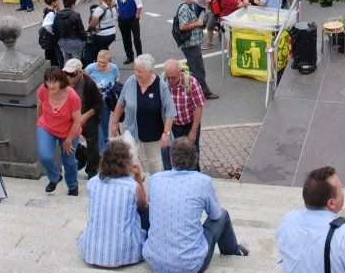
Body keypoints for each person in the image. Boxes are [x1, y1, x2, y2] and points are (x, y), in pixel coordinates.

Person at [142, 138, 249, 272]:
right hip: (191, 265)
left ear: (171, 158)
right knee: (223, 214)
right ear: (195, 159)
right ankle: (234, 252)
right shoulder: (203, 182)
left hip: (155, 262)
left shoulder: (155, 180)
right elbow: (215, 215)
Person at [78, 139, 148, 268]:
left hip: (92, 253)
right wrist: (138, 177)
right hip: (125, 254)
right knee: (146, 211)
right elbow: (143, 206)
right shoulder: (132, 187)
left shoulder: (92, 183)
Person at [109, 53, 175, 176]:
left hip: (154, 131)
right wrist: (114, 123)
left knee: (154, 161)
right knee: (129, 157)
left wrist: (166, 133)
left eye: (140, 71)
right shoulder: (131, 81)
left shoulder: (161, 85)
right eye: (135, 70)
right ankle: (135, 183)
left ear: (150, 71)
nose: (136, 74)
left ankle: (156, 184)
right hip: (132, 128)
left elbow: (170, 111)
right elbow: (120, 103)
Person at [36, 66, 82, 196]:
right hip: (47, 126)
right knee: (45, 156)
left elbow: (77, 120)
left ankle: (73, 186)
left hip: (69, 131)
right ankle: (55, 177)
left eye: (54, 82)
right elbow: (39, 107)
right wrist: (39, 123)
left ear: (61, 81)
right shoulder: (43, 90)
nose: (50, 85)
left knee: (69, 160)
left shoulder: (73, 97)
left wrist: (68, 141)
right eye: (48, 81)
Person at [162, 59, 206, 171]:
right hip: (172, 126)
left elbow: (198, 107)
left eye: (173, 77)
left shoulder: (191, 82)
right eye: (168, 78)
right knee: (172, 153)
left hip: (189, 125)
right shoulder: (163, 83)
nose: (170, 81)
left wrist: (193, 130)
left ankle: (195, 175)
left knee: (192, 153)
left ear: (180, 72)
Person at [175, 0, 219, 99]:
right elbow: (183, 26)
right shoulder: (184, 8)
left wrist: (200, 22)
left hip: (192, 42)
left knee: (190, 67)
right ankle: (204, 92)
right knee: (198, 69)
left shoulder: (188, 6)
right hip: (190, 44)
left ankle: (183, 87)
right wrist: (197, 24)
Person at [63, 59, 103, 179]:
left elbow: (99, 104)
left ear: (79, 73)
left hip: (86, 118)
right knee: (71, 144)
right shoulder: (61, 82)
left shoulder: (89, 83)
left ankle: (92, 171)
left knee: (92, 146)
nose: (68, 77)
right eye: (66, 73)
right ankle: (79, 159)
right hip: (69, 120)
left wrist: (85, 116)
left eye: (71, 74)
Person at [86, 50, 121, 152]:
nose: (101, 64)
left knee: (104, 123)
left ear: (108, 61)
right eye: (99, 61)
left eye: (104, 62)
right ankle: (98, 146)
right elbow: (83, 77)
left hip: (106, 101)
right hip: (93, 102)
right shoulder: (91, 68)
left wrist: (115, 87)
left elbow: (117, 76)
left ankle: (104, 145)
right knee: (95, 124)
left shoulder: (113, 68)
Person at [115, 0, 143, 65]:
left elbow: (139, 5)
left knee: (136, 39)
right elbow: (117, 5)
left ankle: (140, 57)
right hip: (122, 20)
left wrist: (136, 17)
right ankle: (129, 56)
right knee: (125, 39)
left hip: (133, 19)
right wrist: (118, 15)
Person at [88, 0, 117, 64]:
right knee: (105, 49)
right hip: (112, 33)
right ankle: (108, 64)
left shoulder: (100, 9)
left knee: (101, 52)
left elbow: (93, 24)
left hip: (102, 35)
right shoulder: (113, 6)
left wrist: (89, 28)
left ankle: (107, 67)